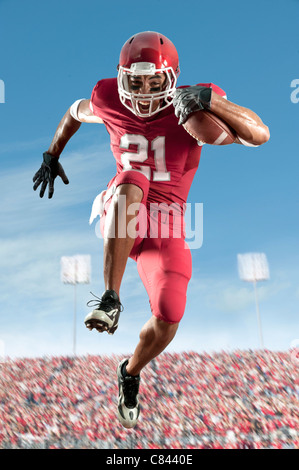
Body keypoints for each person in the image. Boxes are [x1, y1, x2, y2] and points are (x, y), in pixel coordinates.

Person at [33, 31, 270, 429]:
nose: (143, 92)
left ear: (172, 79)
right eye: (136, 81)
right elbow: (74, 112)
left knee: (170, 314)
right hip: (123, 211)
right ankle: (110, 297)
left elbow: (258, 134)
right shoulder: (107, 97)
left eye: (154, 82)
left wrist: (214, 103)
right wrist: (51, 154)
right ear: (122, 77)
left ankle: (129, 372)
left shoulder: (196, 102)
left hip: (168, 223)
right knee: (131, 178)